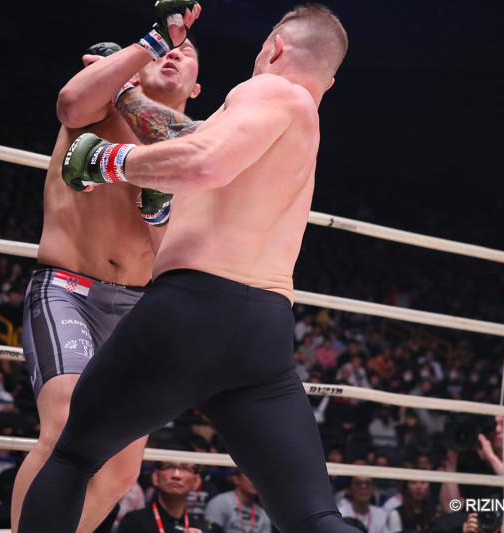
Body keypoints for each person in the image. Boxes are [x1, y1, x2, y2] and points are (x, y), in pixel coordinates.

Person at [18, 4, 354, 533]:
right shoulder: (299, 123)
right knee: (313, 516)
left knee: (74, 455)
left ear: (275, 49)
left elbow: (203, 162)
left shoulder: (265, 90)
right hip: (263, 334)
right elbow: (187, 140)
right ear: (329, 82)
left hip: (190, 312)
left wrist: (108, 161)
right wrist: (126, 92)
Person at [11, 0, 203, 529]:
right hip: (68, 288)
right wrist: (151, 43)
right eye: (167, 49)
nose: (174, 54)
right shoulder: (104, 102)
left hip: (137, 308)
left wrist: (158, 208)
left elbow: (175, 243)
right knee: (64, 428)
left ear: (197, 87)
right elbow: (70, 104)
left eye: (186, 52)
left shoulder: (198, 144)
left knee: (120, 470)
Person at [439, 416, 504, 533]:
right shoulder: (471, 467)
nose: (497, 429)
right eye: (494, 425)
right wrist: (452, 460)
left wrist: (491, 457)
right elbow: (450, 507)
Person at [119, 460, 221, 533]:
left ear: (196, 481)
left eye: (185, 468)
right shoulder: (134, 521)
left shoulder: (200, 528)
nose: (176, 475)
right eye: (168, 466)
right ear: (155, 477)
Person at [204, 470, 272, 533]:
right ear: (235, 479)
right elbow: (210, 530)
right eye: (249, 475)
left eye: (257, 477)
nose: (254, 481)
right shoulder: (220, 502)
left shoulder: (263, 513)